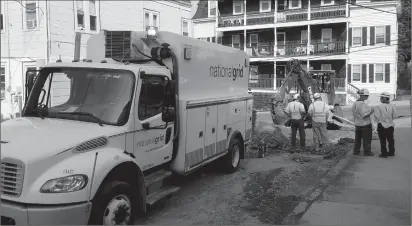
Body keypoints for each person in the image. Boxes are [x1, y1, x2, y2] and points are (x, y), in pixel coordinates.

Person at [372, 91, 397, 158]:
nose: (380, 99)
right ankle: (391, 152)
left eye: (381, 97)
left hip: (381, 125)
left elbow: (377, 117)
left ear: (384, 98)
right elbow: (394, 115)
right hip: (390, 125)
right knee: (390, 139)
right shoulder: (392, 106)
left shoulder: (378, 107)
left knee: (382, 140)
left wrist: (375, 126)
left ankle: (384, 153)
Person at [352, 88, 375, 156]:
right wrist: (371, 112)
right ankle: (367, 152)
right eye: (366, 96)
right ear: (362, 95)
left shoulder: (355, 103)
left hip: (357, 124)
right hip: (365, 125)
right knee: (367, 139)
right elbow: (364, 115)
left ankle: (356, 151)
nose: (367, 97)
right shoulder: (362, 104)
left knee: (358, 139)